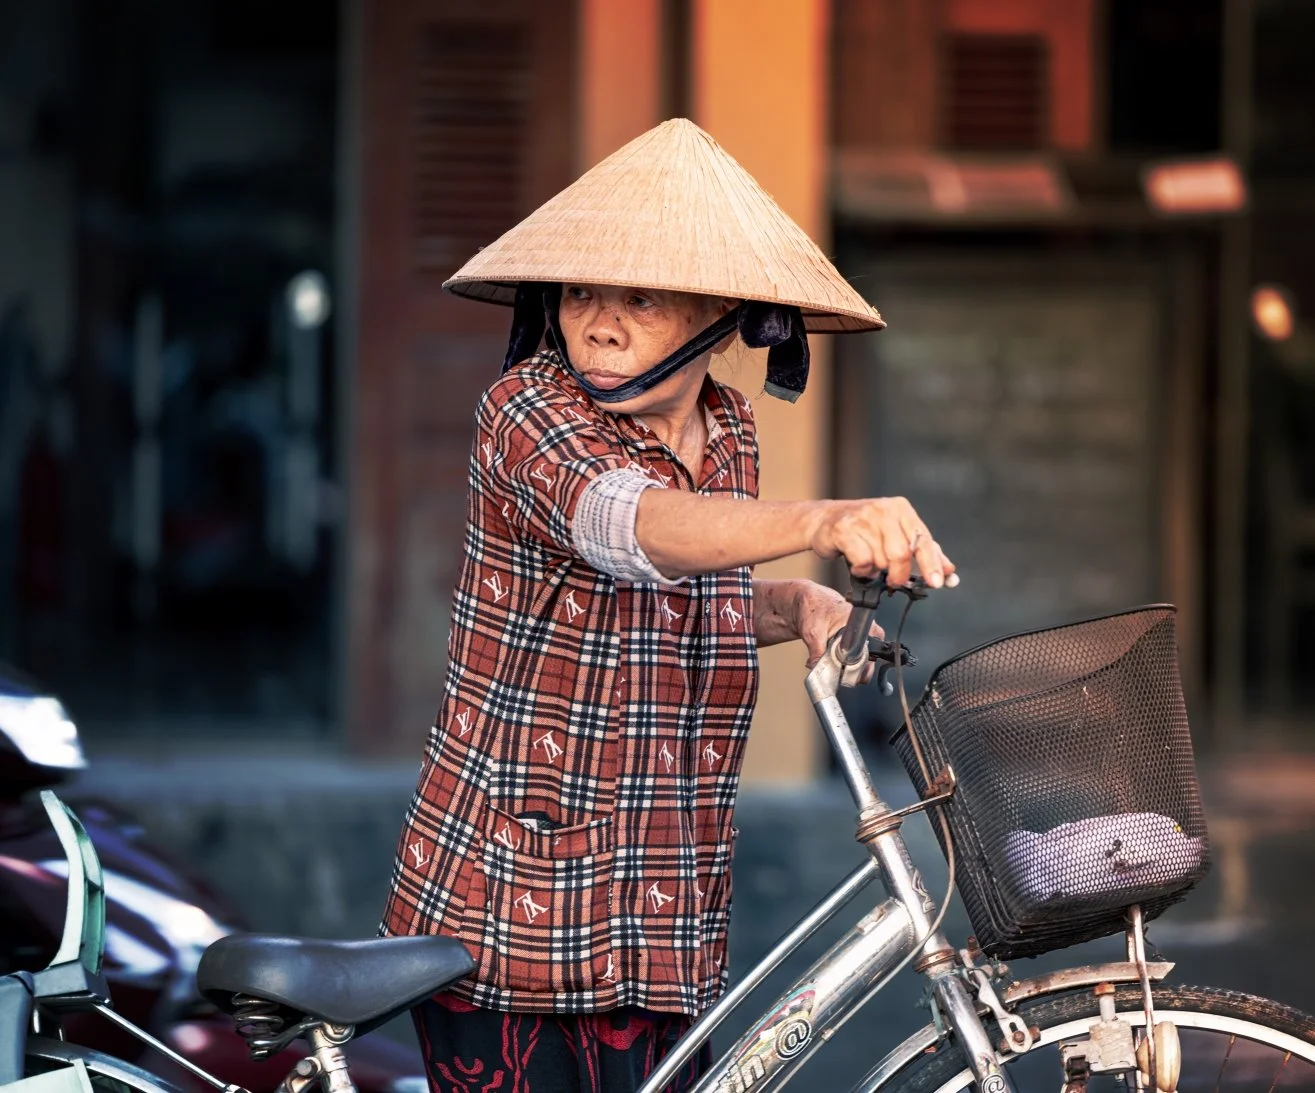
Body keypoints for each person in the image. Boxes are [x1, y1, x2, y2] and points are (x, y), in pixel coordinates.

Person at [380, 119, 955, 1093]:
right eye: (578, 293)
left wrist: (798, 602)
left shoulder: (727, 428)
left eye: (638, 297)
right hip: (515, 916)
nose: (596, 322)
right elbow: (631, 529)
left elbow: (687, 592)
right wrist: (824, 515)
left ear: (717, 312)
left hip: (660, 912)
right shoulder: (527, 411)